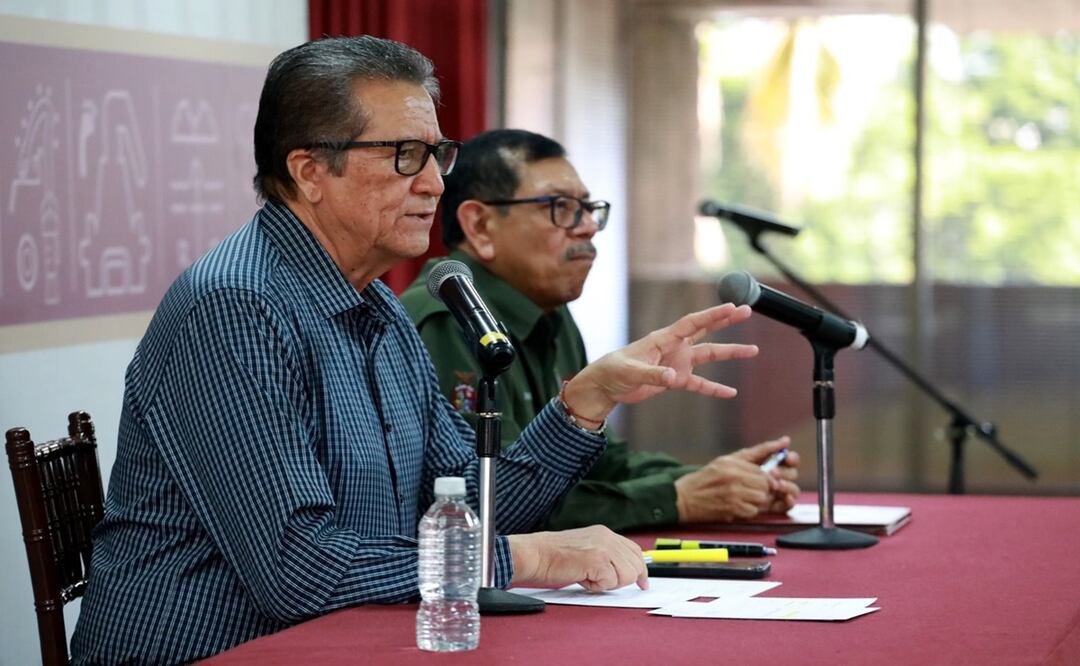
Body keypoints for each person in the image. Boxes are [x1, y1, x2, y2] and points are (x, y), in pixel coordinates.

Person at [69, 38, 761, 664]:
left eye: (437, 154)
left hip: (347, 641)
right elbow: (298, 570)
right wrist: (527, 558)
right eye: (404, 156)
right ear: (311, 171)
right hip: (210, 651)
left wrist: (586, 401)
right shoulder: (236, 309)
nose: (432, 182)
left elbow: (471, 503)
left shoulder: (375, 307)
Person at [401, 129, 800, 533]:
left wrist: (714, 479)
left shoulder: (549, 313)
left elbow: (596, 463)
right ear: (481, 225)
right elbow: (492, 502)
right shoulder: (447, 322)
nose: (589, 226)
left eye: (589, 208)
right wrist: (677, 498)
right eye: (560, 207)